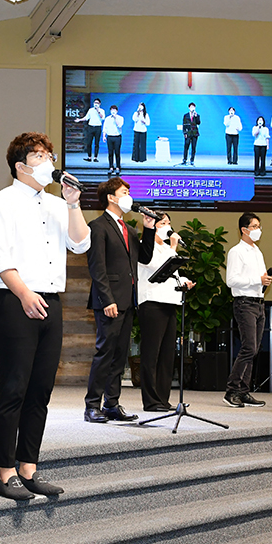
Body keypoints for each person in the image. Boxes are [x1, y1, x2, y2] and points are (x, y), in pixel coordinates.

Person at [0, 132, 90, 500]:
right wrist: (25, 294)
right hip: (14, 299)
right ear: (21, 166)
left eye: (50, 156)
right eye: (40, 156)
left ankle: (28, 467)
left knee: (40, 389)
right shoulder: (2, 202)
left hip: (50, 300)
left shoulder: (58, 204)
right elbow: (0, 258)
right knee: (14, 386)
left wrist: (73, 204)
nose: (49, 162)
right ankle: (5, 473)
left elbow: (80, 243)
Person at [85, 177, 155, 423]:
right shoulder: (98, 226)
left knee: (120, 355)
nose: (129, 196)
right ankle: (92, 405)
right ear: (111, 197)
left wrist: (149, 229)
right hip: (109, 300)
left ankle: (112, 404)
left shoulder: (130, 229)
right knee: (105, 352)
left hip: (127, 300)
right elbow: (97, 267)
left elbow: (144, 258)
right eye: (124, 192)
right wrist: (107, 299)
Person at [137, 213, 194, 412]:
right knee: (151, 353)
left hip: (170, 302)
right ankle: (151, 400)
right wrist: (173, 247)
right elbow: (156, 266)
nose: (167, 226)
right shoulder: (145, 245)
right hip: (152, 302)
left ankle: (162, 399)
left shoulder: (166, 248)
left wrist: (184, 281)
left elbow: (172, 274)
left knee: (167, 354)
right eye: (163, 223)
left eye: (169, 223)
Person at [224, 212, 271, 408]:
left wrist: (263, 282)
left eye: (259, 226)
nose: (258, 230)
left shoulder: (257, 252)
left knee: (253, 350)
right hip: (244, 303)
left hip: (258, 303)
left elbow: (258, 278)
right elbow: (231, 280)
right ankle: (232, 390)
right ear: (244, 230)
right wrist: (257, 280)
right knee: (248, 348)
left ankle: (243, 391)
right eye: (254, 226)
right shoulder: (236, 252)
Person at [75, 98, 105, 163]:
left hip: (98, 127)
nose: (95, 104)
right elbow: (86, 118)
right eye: (95, 103)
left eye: (97, 103)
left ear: (99, 104)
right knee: (89, 143)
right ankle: (89, 157)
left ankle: (95, 157)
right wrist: (79, 120)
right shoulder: (90, 110)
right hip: (91, 127)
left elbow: (102, 117)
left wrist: (98, 111)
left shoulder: (102, 110)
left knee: (96, 143)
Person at [102, 105, 124, 175]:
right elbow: (105, 128)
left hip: (117, 137)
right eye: (112, 110)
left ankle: (118, 167)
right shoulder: (107, 119)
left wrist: (115, 118)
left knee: (117, 152)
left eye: (114, 110)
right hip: (110, 137)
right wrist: (104, 136)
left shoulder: (120, 118)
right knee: (110, 153)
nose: (113, 111)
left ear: (117, 111)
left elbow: (119, 125)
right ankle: (111, 167)